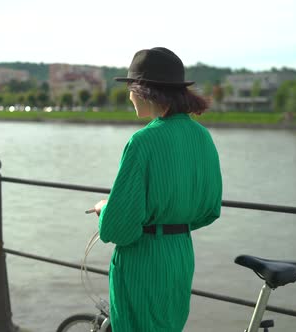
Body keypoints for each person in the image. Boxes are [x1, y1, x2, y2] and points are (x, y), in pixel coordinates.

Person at [93, 47, 223, 332]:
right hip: (179, 253)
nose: (128, 95)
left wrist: (104, 210)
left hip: (143, 260)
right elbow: (211, 209)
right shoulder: (202, 136)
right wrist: (173, 220)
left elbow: (117, 229)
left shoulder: (143, 141)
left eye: (130, 88)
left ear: (143, 91)